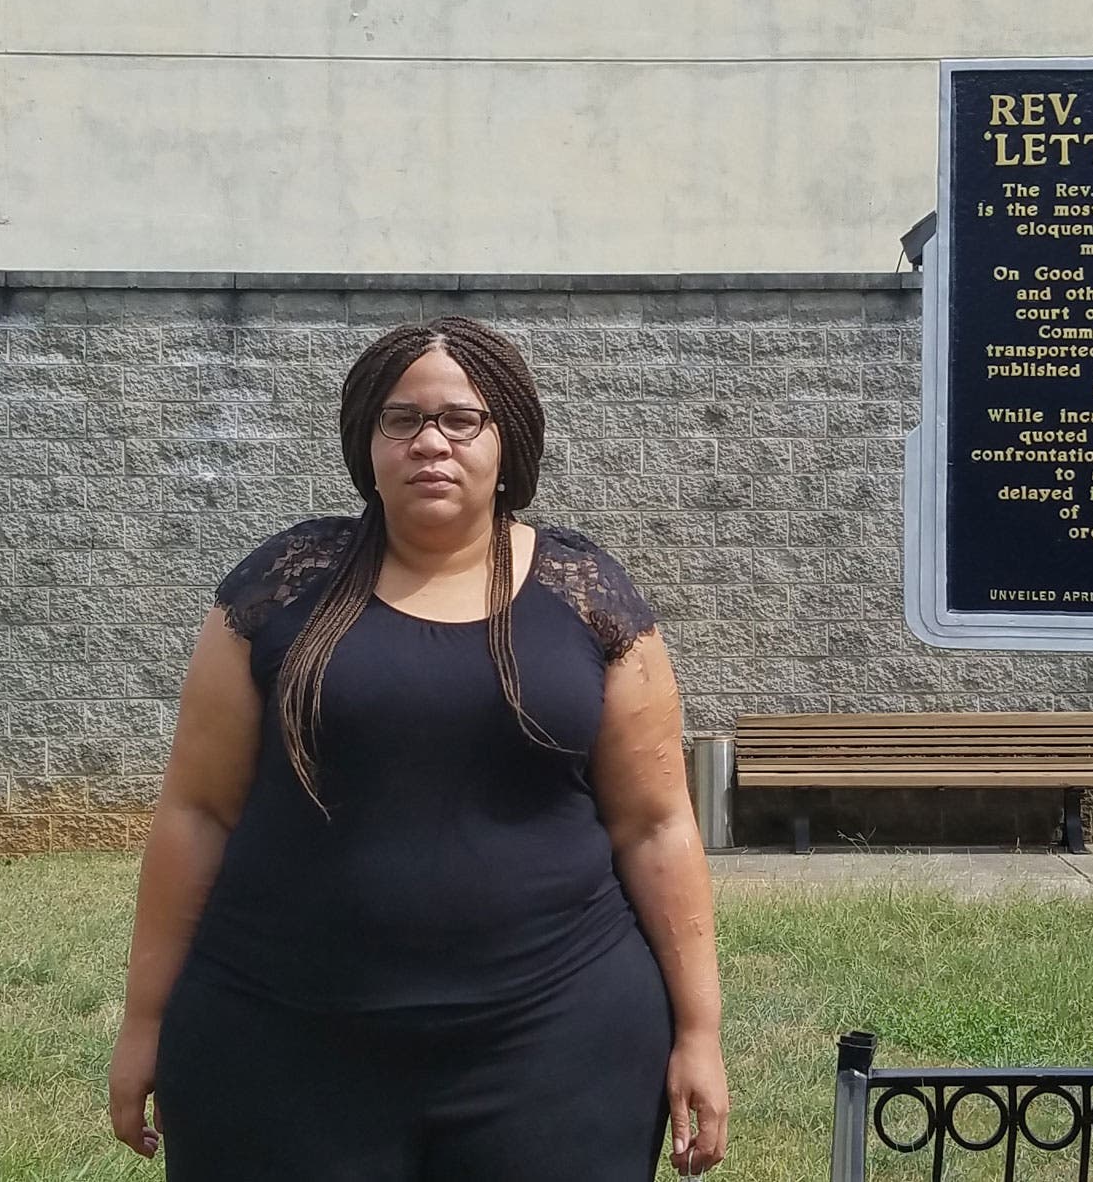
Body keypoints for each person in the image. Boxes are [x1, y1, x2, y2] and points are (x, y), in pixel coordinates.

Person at [104, 316, 729, 1180]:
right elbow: (197, 811)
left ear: (508, 441)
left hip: (555, 1047)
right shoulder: (283, 587)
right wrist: (145, 1022)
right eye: (401, 419)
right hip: (280, 1045)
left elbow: (656, 825)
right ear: (369, 442)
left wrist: (700, 1034)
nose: (430, 441)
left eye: (461, 419)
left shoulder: (588, 597)